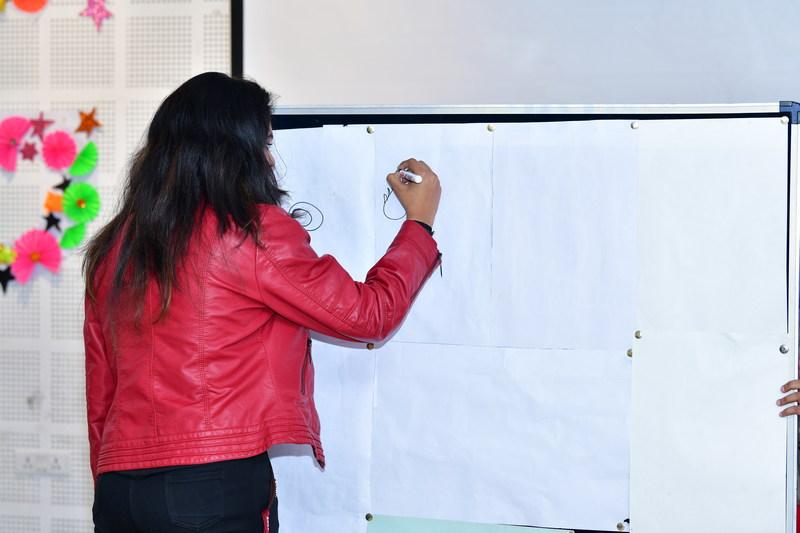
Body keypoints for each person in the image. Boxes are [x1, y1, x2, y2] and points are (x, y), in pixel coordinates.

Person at [83, 72, 442, 532]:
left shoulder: (116, 245)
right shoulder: (248, 231)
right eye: (265, 143)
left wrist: (108, 483)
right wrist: (419, 224)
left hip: (120, 492)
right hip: (209, 486)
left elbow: (101, 389)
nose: (270, 158)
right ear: (233, 149)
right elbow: (368, 315)